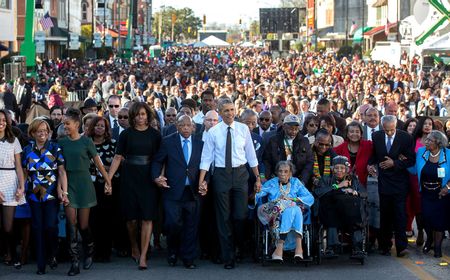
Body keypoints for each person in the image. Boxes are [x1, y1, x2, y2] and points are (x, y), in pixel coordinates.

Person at [198, 98, 261, 269]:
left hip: (241, 174)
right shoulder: (213, 132)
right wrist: (201, 180)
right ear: (219, 112)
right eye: (226, 110)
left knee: (240, 216)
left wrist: (257, 177)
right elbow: (206, 158)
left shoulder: (242, 129)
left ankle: (239, 246)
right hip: (221, 175)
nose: (230, 113)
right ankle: (228, 256)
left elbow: (251, 155)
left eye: (232, 109)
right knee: (223, 218)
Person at [107, 102, 161, 270]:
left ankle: (143, 255)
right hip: (129, 178)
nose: (140, 118)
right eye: (137, 115)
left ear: (148, 116)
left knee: (147, 218)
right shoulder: (126, 135)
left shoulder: (155, 135)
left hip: (148, 179)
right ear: (133, 116)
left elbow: (160, 159)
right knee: (131, 219)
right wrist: (108, 180)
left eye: (143, 114)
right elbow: (117, 158)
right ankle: (134, 246)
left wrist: (159, 177)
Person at [58, 108, 112, 276]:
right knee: (71, 224)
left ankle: (89, 249)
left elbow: (98, 162)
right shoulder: (61, 142)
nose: (64, 126)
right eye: (63, 123)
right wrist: (61, 189)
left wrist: (108, 181)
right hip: (69, 185)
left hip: (84, 185)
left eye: (67, 123)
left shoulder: (86, 141)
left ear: (76, 124)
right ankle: (74, 262)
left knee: (83, 225)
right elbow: (59, 169)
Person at [152, 115, 203, 269]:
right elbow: (157, 161)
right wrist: (156, 177)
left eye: (189, 125)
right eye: (182, 125)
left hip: (192, 191)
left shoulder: (200, 144)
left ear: (193, 127)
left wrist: (205, 181)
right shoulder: (168, 141)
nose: (186, 128)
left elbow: (205, 165)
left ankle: (188, 258)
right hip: (172, 190)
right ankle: (173, 251)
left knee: (191, 225)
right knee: (173, 223)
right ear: (177, 126)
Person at [22, 118, 68, 275]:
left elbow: (61, 171)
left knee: (51, 226)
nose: (43, 134)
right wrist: (22, 188)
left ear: (49, 133)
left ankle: (53, 254)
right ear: (33, 133)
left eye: (45, 131)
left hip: (52, 192)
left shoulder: (55, 148)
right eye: (39, 131)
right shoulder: (27, 149)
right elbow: (24, 171)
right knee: (37, 228)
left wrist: (64, 191)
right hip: (34, 194)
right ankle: (40, 264)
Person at [368, 115, 415, 257]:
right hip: (384, 181)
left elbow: (411, 160)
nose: (389, 133)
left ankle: (401, 247)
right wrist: (370, 165)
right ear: (382, 127)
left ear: (396, 126)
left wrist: (394, 163)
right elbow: (374, 156)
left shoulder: (405, 137)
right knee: (385, 214)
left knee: (400, 215)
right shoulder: (376, 136)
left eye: (392, 130)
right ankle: (385, 245)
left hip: (399, 181)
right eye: (386, 130)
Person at [253, 161, 314, 261]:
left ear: (290, 173)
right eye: (280, 171)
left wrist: (293, 199)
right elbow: (258, 194)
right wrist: (256, 192)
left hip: (294, 209)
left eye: (286, 171)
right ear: (277, 172)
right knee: (294, 209)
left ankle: (280, 247)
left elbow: (309, 197)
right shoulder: (272, 183)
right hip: (277, 212)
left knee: (293, 208)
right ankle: (299, 248)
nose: (282, 174)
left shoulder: (295, 182)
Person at [314, 156, 367, 259]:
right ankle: (332, 248)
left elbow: (364, 193)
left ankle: (358, 248)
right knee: (331, 218)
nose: (339, 170)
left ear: (346, 170)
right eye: (336, 168)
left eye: (342, 168)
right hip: (332, 214)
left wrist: (355, 192)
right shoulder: (325, 179)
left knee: (355, 218)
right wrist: (338, 186)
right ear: (332, 169)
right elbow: (318, 193)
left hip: (350, 214)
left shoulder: (354, 180)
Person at [408, 130, 450, 258]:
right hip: (426, 193)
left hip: (442, 194)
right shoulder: (421, 152)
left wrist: (447, 187)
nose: (426, 142)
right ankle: (429, 240)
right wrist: (404, 162)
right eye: (426, 139)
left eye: (429, 140)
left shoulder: (448, 154)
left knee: (439, 221)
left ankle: (437, 248)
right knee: (426, 219)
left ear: (438, 142)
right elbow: (415, 170)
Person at [85, 116, 116, 262]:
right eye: (96, 125)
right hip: (90, 187)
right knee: (93, 219)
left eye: (102, 126)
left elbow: (118, 165)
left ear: (106, 128)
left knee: (107, 219)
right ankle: (95, 250)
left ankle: (106, 251)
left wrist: (103, 169)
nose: (99, 128)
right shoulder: (86, 144)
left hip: (107, 186)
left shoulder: (112, 144)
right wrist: (103, 167)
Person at [0, 109, 25, 266]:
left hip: (10, 181)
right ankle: (4, 252)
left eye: (3, 119)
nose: (1, 122)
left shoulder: (13, 140)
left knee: (8, 226)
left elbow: (19, 166)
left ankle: (11, 252)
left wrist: (21, 186)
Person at [406, 117, 434, 244]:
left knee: (431, 207)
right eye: (425, 124)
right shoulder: (413, 140)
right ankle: (421, 231)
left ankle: (432, 235)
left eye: (430, 124)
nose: (428, 126)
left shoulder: (437, 141)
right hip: (415, 178)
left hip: (432, 179)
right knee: (418, 207)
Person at [263, 114, 313, 183]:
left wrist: (303, 180)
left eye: (296, 129)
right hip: (277, 178)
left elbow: (309, 162)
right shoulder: (274, 140)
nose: (294, 132)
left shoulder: (304, 141)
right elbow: (267, 160)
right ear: (284, 127)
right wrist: (267, 177)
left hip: (297, 179)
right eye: (291, 129)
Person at [334, 121, 373, 187]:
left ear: (361, 134)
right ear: (347, 134)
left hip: (364, 186)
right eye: (351, 131)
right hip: (343, 185)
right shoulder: (339, 149)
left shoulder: (368, 145)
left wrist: (372, 165)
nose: (354, 134)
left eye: (357, 132)